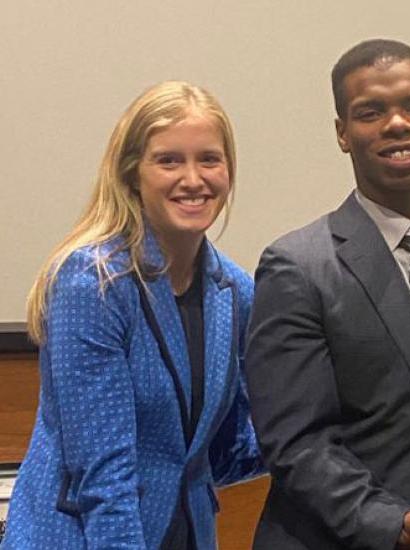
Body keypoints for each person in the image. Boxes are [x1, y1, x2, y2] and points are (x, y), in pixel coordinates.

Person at [245, 39, 410, 549]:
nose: (397, 124)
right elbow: (295, 440)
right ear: (343, 134)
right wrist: (393, 525)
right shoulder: (298, 267)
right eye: (371, 112)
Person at [2, 81, 264, 549]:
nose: (193, 179)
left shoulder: (235, 291)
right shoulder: (92, 284)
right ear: (131, 173)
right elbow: (104, 480)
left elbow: (220, 455)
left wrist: (332, 431)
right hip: (84, 537)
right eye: (168, 160)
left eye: (209, 159)